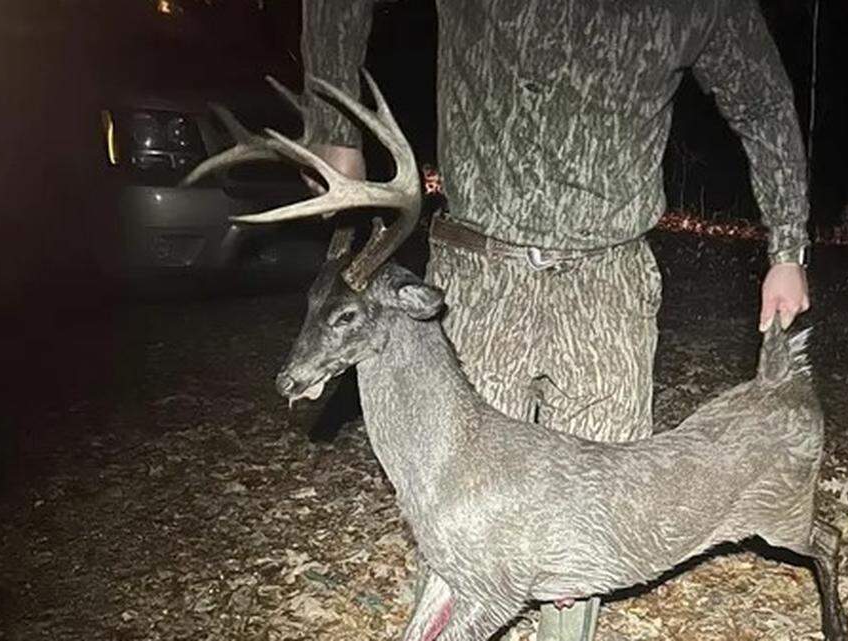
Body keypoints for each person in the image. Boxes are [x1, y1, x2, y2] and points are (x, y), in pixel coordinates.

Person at [303, 1, 811, 639]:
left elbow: (762, 99)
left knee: (595, 534)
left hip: (607, 285)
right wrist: (331, 124)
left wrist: (787, 247)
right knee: (458, 521)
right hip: (478, 275)